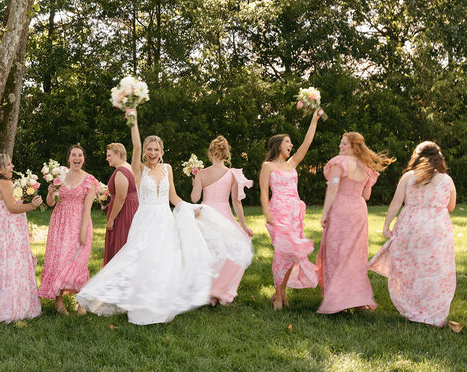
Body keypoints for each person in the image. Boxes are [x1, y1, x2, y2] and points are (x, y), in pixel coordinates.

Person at [77, 109, 213, 325]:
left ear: (161, 151)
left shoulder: (167, 168)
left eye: (156, 149)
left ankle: (159, 305)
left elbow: (173, 197)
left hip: (164, 220)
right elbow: (136, 146)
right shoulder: (139, 170)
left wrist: (189, 208)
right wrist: (133, 121)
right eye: (149, 149)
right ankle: (127, 302)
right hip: (145, 220)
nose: (151, 152)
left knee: (162, 262)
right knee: (139, 259)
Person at [368, 142, 456, 327]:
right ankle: (432, 312)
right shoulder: (447, 180)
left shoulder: (408, 176)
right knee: (435, 270)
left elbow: (396, 202)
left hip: (411, 227)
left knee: (411, 268)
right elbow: (451, 206)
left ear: (417, 157)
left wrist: (386, 225)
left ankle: (413, 307)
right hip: (436, 229)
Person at [317, 132, 394, 314]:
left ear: (352, 146)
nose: (340, 147)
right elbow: (366, 195)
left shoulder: (339, 162)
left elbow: (333, 187)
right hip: (358, 210)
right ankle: (354, 298)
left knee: (337, 252)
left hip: (341, 209)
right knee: (354, 254)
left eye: (343, 144)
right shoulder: (366, 167)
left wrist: (325, 212)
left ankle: (339, 301)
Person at [259, 109, 325, 310]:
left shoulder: (292, 163)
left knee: (292, 253)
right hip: (278, 211)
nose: (291, 145)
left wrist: (314, 120)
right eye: (288, 142)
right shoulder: (267, 166)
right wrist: (267, 214)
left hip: (294, 213)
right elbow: (263, 192)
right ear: (279, 144)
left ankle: (280, 292)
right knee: (281, 252)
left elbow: (306, 143)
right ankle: (278, 296)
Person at [0, 153, 43, 324]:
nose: (12, 167)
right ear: (0, 169)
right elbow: (12, 208)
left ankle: (1, 304)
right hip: (9, 229)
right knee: (14, 264)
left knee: (3, 266)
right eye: (9, 164)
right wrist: (32, 205)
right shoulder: (5, 183)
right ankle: (14, 307)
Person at [190, 135, 254, 305]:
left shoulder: (201, 174)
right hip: (224, 214)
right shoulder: (232, 174)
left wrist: (194, 179)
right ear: (226, 155)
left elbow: (195, 199)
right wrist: (244, 226)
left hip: (206, 213)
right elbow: (236, 203)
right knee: (232, 248)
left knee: (206, 252)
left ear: (210, 154)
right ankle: (219, 290)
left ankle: (207, 291)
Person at [38, 145, 97, 315]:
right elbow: (50, 203)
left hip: (80, 222)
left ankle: (81, 302)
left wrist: (83, 231)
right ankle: (59, 301)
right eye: (73, 155)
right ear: (69, 158)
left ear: (83, 159)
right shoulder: (58, 176)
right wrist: (50, 192)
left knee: (79, 260)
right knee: (59, 259)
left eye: (80, 155)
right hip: (60, 223)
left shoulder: (89, 180)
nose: (77, 158)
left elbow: (87, 208)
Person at [102, 142, 139, 265]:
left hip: (124, 212)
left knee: (121, 242)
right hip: (132, 209)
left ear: (118, 154)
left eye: (109, 155)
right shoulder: (130, 168)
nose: (107, 159)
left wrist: (111, 219)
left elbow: (121, 197)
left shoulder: (121, 171)